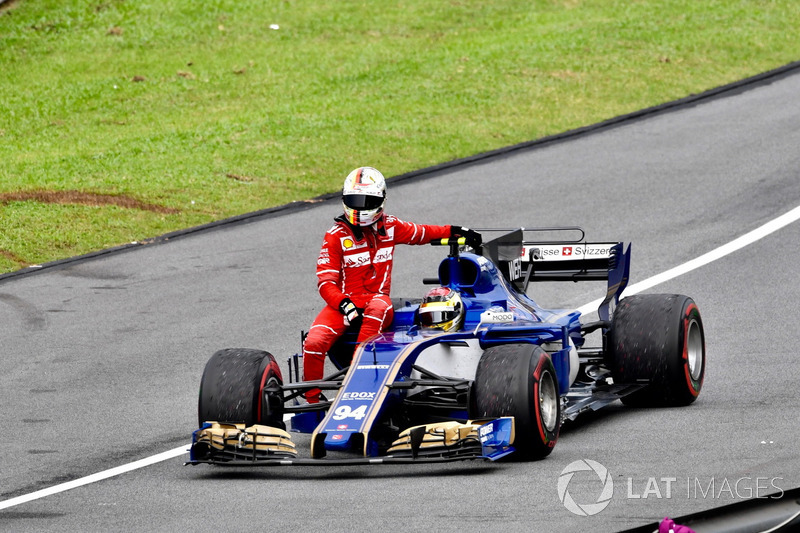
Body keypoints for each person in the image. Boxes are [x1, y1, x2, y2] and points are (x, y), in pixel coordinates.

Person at [302, 166, 481, 402]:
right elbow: (325, 282)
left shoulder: (391, 227)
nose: (360, 206)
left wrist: (455, 231)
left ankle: (357, 376)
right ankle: (312, 399)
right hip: (343, 304)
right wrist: (344, 304)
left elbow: (422, 233)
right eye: (355, 199)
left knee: (378, 307)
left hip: (377, 300)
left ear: (380, 201)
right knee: (313, 342)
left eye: (367, 200)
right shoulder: (335, 235)